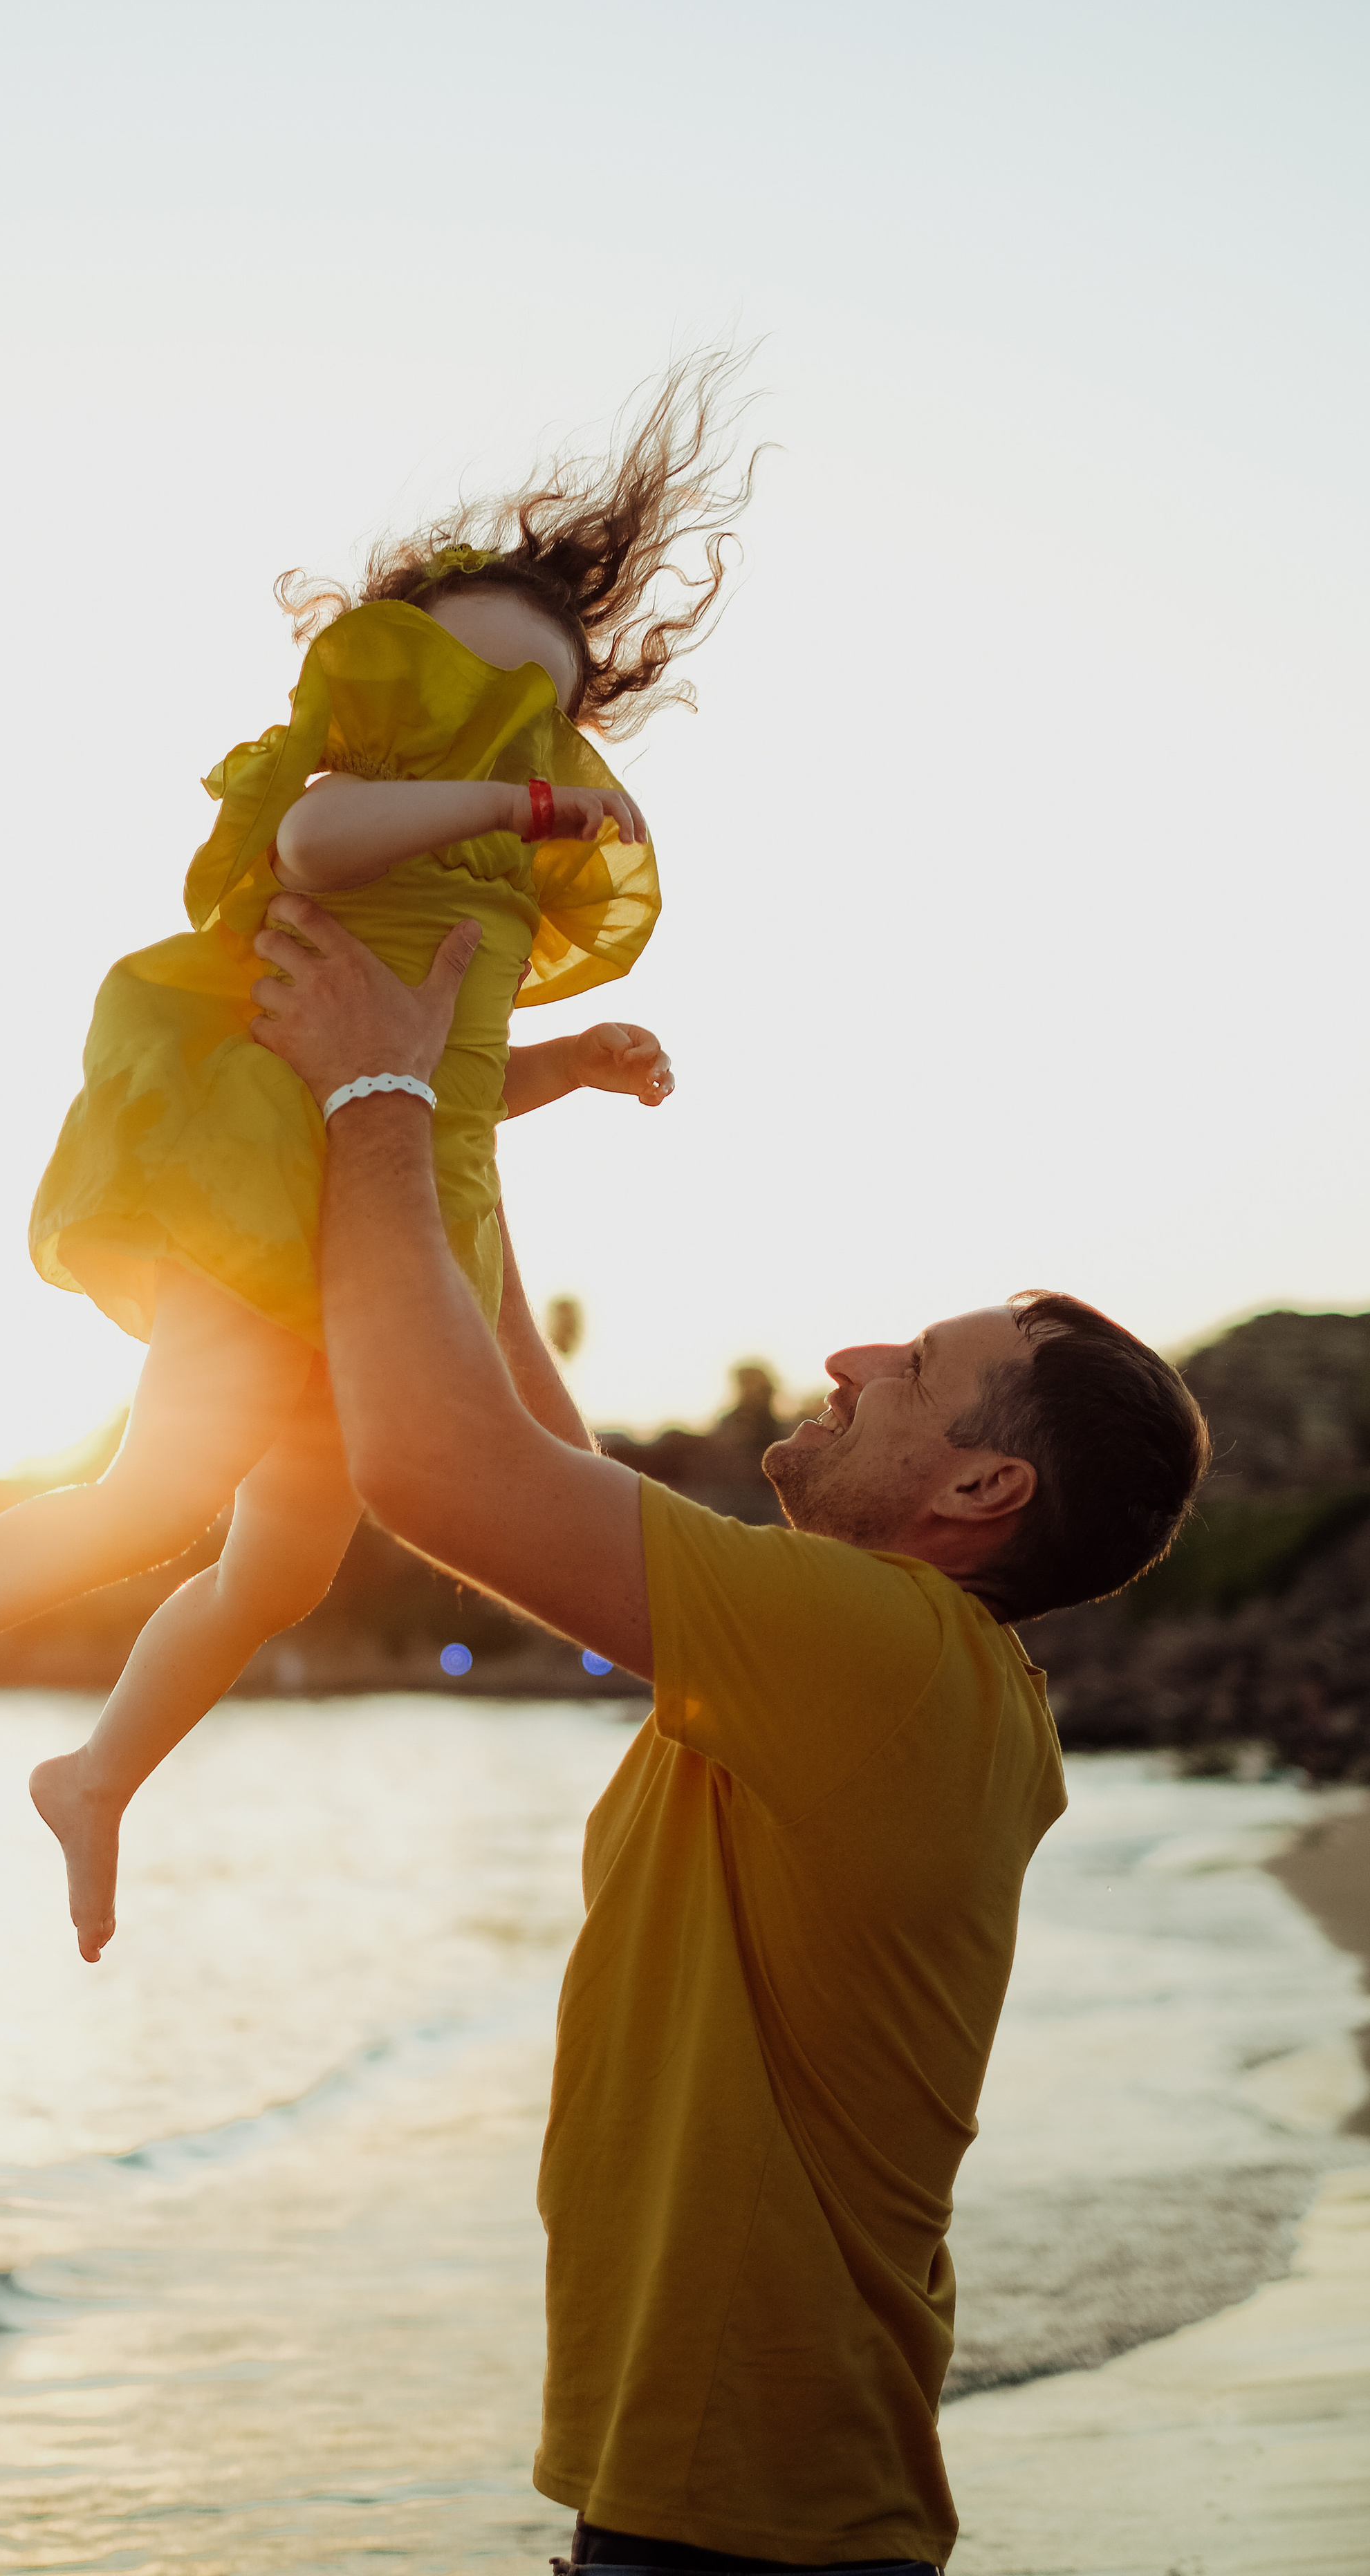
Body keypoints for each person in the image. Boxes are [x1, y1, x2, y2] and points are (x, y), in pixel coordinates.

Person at [244, 898, 1213, 2576]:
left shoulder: (888, 1659)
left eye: (914, 1364)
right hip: (739, 2508)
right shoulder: (870, 1666)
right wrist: (454, 1126)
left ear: (981, 1491)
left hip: (744, 2532)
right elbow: (531, 1446)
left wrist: (371, 1099)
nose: (851, 1352)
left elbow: (435, 1467)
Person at [0, 355, 762, 1961]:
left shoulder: (497, 897)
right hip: (267, 1199)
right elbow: (308, 849)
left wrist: (569, 1065)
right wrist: (494, 799)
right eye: (469, 703)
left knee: (286, 1568)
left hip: (387, 1223)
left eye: (537, 716)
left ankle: (94, 1776)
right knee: (154, 1486)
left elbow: (429, 1084)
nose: (506, 745)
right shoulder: (356, 814)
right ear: (396, 699)